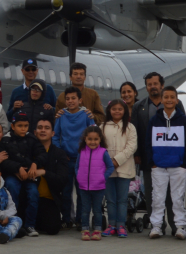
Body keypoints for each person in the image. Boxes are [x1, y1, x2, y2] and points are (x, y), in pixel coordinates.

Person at [146, 85, 186, 240]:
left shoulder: (185, 121)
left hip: (177, 166)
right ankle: (156, 227)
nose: (169, 100)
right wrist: (152, 162)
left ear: (176, 99)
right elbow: (147, 142)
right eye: (166, 97)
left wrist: (184, 163)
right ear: (161, 99)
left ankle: (181, 227)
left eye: (172, 97)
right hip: (158, 166)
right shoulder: (154, 120)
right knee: (158, 198)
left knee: (177, 198)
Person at [55, 86, 96, 226]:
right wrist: (61, 153)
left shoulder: (87, 115)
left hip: (82, 160)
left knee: (81, 192)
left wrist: (85, 154)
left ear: (80, 100)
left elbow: (93, 135)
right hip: (66, 160)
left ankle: (80, 220)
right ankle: (66, 219)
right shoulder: (61, 116)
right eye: (67, 99)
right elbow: (56, 137)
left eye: (73, 98)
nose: (70, 101)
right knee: (66, 192)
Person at [100, 100, 138, 238]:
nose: (117, 111)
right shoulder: (102, 127)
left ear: (124, 111)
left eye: (120, 109)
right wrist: (108, 162)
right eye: (114, 109)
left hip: (124, 168)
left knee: (122, 199)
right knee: (110, 199)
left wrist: (116, 160)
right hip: (107, 169)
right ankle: (111, 225)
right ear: (109, 110)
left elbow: (131, 146)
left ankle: (121, 225)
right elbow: (99, 146)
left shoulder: (130, 127)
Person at [30, 116, 72, 235]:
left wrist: (44, 172)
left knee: (53, 228)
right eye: (40, 128)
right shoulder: (28, 151)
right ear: (34, 132)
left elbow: (63, 180)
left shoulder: (59, 154)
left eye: (47, 128)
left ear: (53, 133)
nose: (43, 130)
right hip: (29, 198)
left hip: (49, 199)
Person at [2, 112, 40, 236]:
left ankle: (30, 225)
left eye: (26, 125)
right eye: (20, 126)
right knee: (11, 189)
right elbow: (3, 161)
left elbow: (42, 154)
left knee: (34, 194)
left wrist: (35, 164)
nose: (23, 129)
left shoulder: (32, 138)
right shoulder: (5, 139)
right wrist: (17, 168)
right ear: (12, 126)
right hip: (12, 174)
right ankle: (14, 222)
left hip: (29, 175)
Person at [74, 127, 113, 240]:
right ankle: (85, 229)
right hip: (83, 187)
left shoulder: (103, 152)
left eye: (96, 139)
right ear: (85, 139)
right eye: (90, 139)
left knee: (97, 210)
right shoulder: (81, 152)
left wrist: (103, 177)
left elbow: (110, 167)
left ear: (100, 139)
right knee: (85, 210)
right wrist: (79, 176)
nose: (92, 142)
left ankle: (97, 229)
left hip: (99, 187)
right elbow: (77, 167)